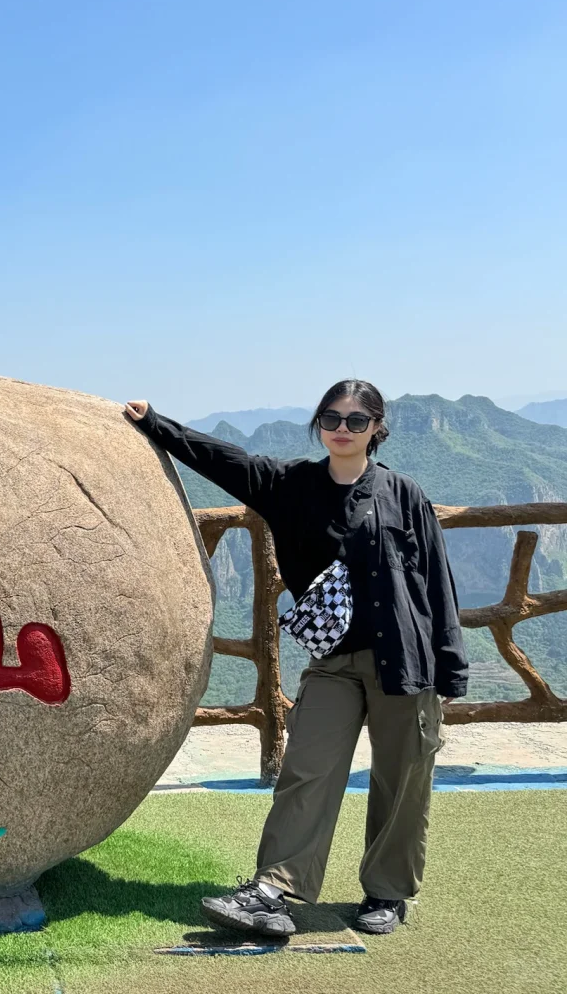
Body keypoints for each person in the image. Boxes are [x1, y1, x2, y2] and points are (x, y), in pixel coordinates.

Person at [125, 380, 469, 937]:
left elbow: (436, 581)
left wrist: (451, 667)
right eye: (332, 417)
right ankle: (274, 891)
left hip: (406, 658)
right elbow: (224, 460)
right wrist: (154, 423)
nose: (342, 428)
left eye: (357, 421)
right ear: (319, 422)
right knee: (307, 770)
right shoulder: (290, 485)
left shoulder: (404, 493)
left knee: (401, 781)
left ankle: (386, 892)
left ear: (376, 429)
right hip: (334, 661)